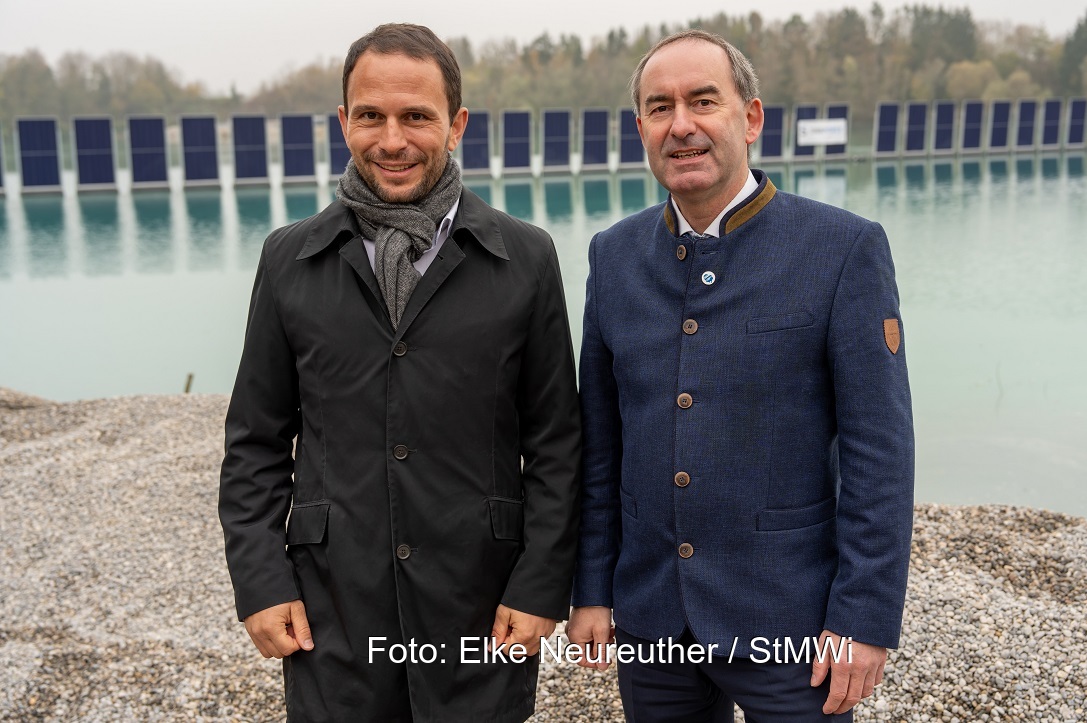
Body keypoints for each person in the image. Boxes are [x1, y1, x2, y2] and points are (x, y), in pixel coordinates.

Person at [218, 23, 580, 723]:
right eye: (370, 116)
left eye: (416, 116)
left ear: (456, 125)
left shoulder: (527, 258)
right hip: (333, 609)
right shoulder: (289, 259)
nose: (392, 140)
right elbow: (255, 442)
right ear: (343, 122)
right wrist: (261, 583)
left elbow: (557, 444)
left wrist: (540, 584)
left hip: (480, 605)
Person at [567, 30, 915, 721]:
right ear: (641, 129)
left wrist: (864, 618)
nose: (681, 125)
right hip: (653, 617)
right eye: (660, 108)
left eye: (703, 101)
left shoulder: (842, 248)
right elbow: (601, 446)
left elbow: (879, 451)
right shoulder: (613, 256)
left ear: (750, 118)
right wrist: (593, 589)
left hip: (794, 620)